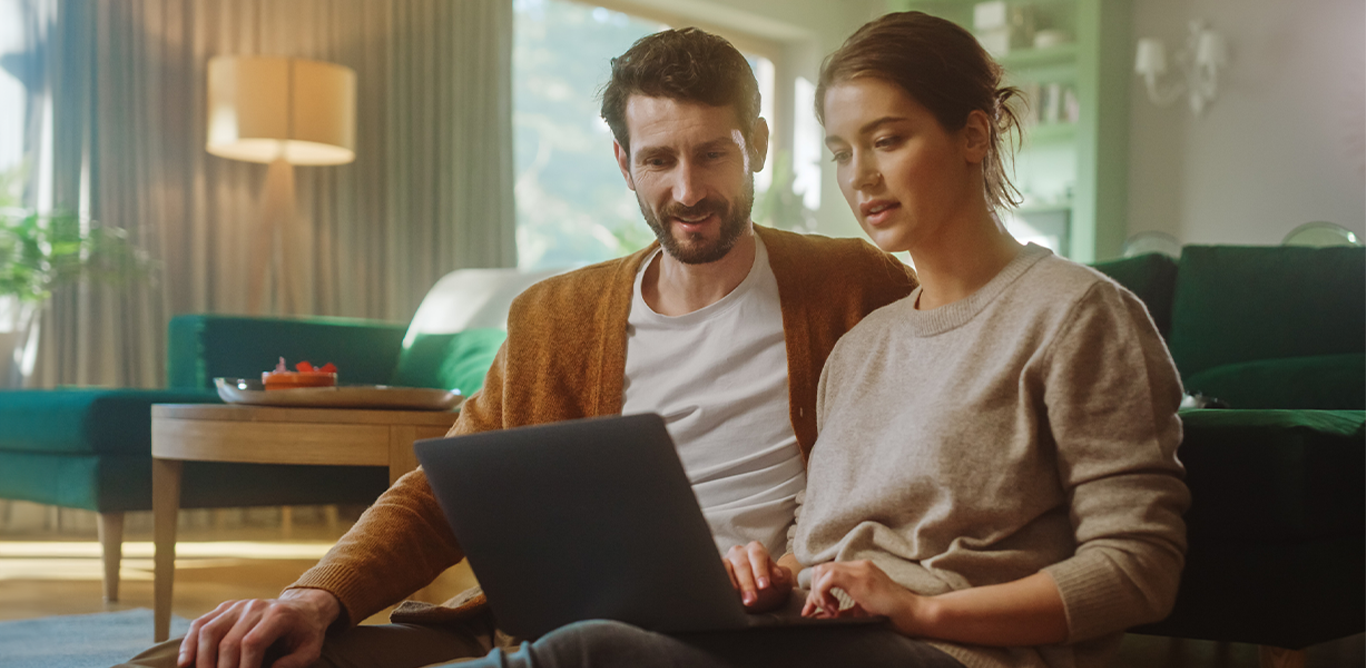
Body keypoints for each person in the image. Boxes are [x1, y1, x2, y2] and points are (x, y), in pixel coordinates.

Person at [117, 27, 915, 668]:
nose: (687, 191)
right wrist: (313, 596)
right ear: (622, 164)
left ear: (759, 146)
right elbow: (438, 496)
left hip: (738, 633)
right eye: (658, 160)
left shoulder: (850, 286)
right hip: (536, 623)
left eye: (713, 153)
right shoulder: (555, 317)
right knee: (209, 655)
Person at [445, 11, 1190, 668]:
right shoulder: (863, 342)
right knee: (600, 640)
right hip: (814, 633)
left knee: (590, 655)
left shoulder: (1079, 314)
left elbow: (1139, 567)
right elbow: (821, 537)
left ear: (973, 133)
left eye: (887, 140)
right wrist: (772, 573)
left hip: (950, 649)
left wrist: (920, 607)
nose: (861, 177)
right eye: (840, 152)